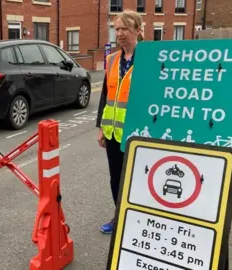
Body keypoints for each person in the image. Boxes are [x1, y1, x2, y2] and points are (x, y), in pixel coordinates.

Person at [95, 10, 144, 234]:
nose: (120, 33)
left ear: (137, 30)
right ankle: (120, 218)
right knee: (116, 179)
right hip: (114, 132)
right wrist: (100, 129)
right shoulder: (112, 59)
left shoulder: (149, 58)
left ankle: (139, 221)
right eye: (117, 29)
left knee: (138, 180)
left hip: (139, 134)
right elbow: (106, 95)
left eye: (125, 28)